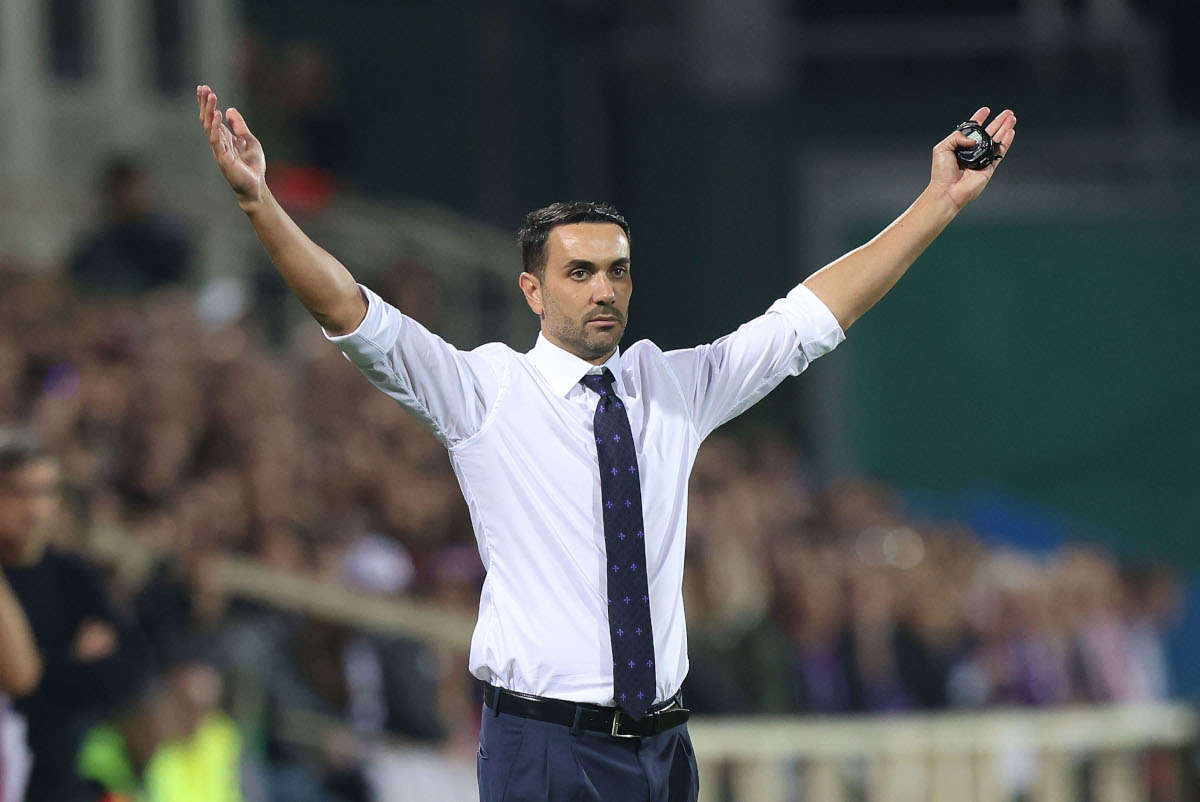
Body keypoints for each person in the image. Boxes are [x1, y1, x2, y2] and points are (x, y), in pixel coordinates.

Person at [195, 83, 1016, 801]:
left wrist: (937, 204)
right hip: (543, 746)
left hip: (662, 746)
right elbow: (351, 315)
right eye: (579, 272)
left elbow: (809, 320)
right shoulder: (486, 392)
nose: (603, 290)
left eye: (617, 270)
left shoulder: (674, 386)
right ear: (531, 289)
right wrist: (258, 204)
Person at [0, 428, 153, 801]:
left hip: (54, 773)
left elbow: (130, 669)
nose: (34, 508)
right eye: (19, 493)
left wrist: (51, 668)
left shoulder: (75, 578)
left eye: (45, 493)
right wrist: (73, 662)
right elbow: (22, 680)